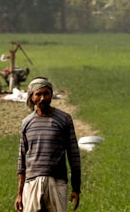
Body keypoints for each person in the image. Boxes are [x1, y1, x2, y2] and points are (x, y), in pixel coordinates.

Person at [16, 77, 82, 211]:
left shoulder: (64, 119)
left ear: (51, 94)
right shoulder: (27, 123)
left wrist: (76, 188)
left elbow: (74, 156)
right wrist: (19, 193)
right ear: (31, 97)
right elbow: (22, 160)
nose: (42, 98)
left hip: (57, 182)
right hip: (32, 182)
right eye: (38, 94)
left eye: (46, 93)